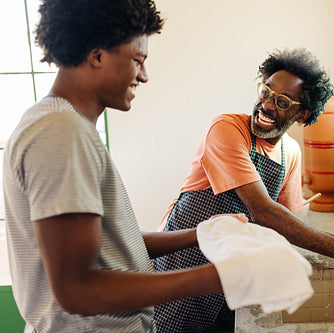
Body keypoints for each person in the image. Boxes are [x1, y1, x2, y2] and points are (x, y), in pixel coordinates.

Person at [2, 1, 230, 332]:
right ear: (97, 56)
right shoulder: (60, 132)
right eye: (137, 60)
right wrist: (218, 277)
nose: (144, 76)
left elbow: (108, 247)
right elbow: (77, 289)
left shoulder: (65, 125)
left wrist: (201, 234)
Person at [154, 48, 334, 333]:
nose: (266, 105)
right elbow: (263, 211)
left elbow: (286, 226)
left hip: (231, 277)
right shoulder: (227, 129)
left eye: (282, 101)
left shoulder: (290, 153)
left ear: (302, 113)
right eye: (265, 92)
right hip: (184, 262)